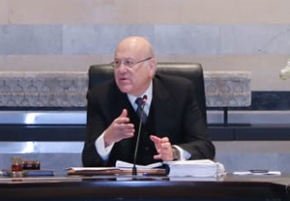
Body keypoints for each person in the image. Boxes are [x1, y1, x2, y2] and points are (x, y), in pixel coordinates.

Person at [82, 36, 215, 167]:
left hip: (169, 180)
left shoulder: (180, 92)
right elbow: (88, 159)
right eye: (117, 63)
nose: (121, 70)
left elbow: (205, 147)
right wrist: (107, 139)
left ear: (151, 67)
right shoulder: (100, 97)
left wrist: (174, 153)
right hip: (121, 181)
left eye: (129, 62)